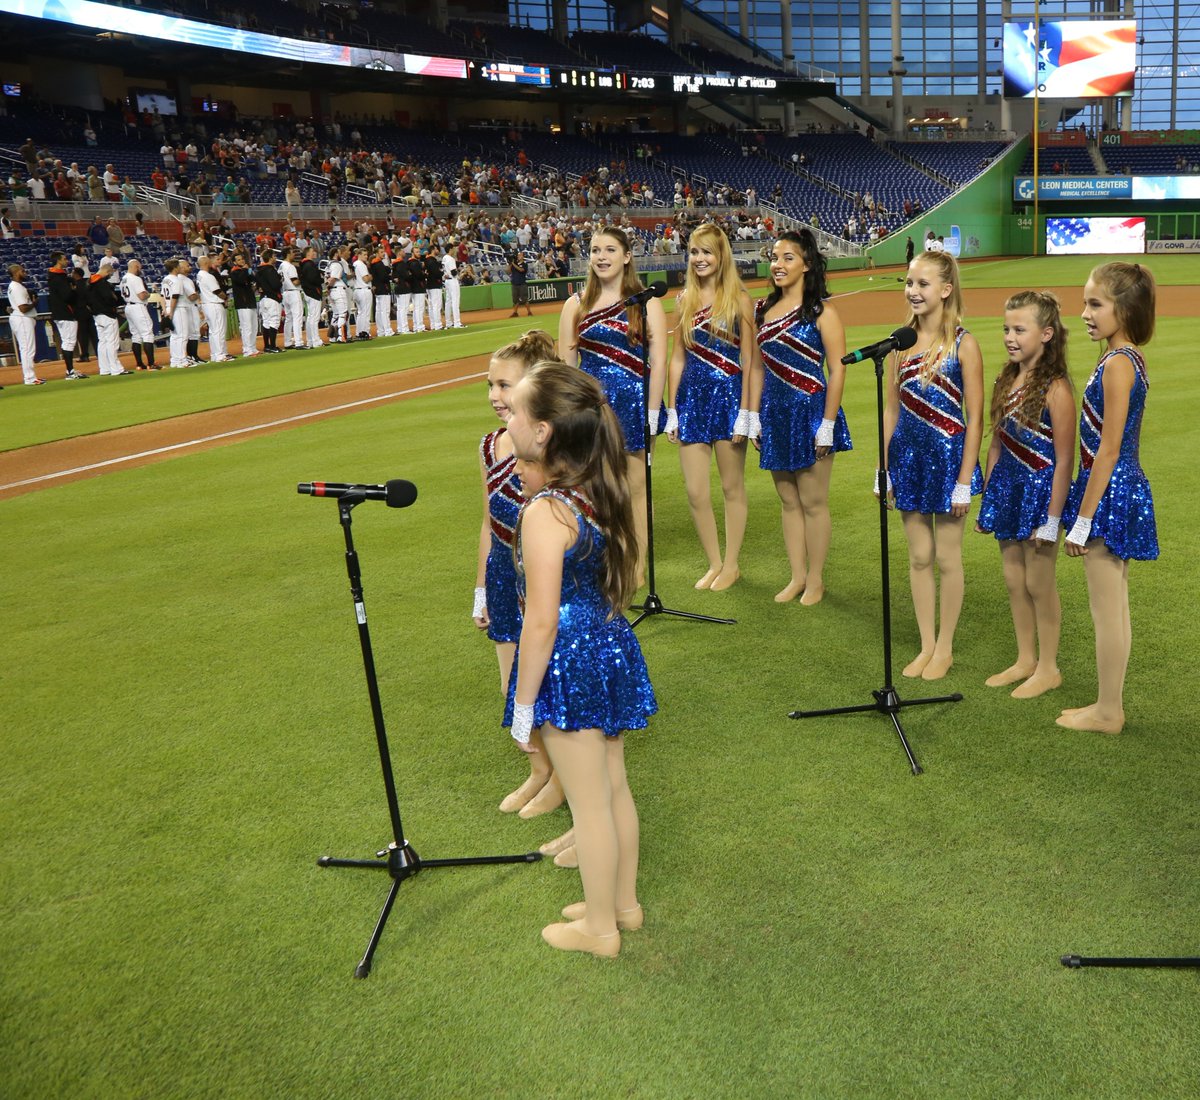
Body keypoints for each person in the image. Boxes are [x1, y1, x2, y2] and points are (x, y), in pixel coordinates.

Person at [502, 361, 656, 957]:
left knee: (591, 803)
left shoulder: (546, 512)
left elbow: (539, 622)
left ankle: (599, 928)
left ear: (543, 432)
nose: (507, 418)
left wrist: (521, 705)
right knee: (612, 788)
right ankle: (621, 904)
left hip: (570, 658)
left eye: (515, 410)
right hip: (609, 642)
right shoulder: (596, 490)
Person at [473, 332, 573, 836]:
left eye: (505, 385)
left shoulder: (549, 446)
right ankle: (538, 768)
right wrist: (480, 589)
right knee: (512, 681)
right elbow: (488, 520)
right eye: (489, 384)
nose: (494, 394)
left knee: (546, 681)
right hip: (501, 574)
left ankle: (561, 777)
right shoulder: (492, 445)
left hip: (541, 579)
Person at [1058, 263, 1158, 735]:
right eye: (1085, 303)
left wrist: (1082, 518)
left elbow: (1109, 447)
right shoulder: (1125, 357)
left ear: (1126, 308)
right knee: (1114, 603)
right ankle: (1107, 704)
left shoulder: (1119, 364)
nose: (1084, 313)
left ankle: (1107, 711)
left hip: (1111, 490)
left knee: (1106, 607)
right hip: (1120, 486)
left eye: (1095, 304)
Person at [883, 250, 983, 678]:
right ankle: (926, 644)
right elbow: (891, 411)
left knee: (947, 558)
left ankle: (945, 647)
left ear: (945, 290)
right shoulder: (898, 343)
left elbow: (975, 416)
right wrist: (883, 466)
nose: (913, 291)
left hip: (948, 460)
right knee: (919, 556)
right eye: (909, 283)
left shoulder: (964, 343)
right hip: (906, 458)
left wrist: (965, 479)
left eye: (923, 284)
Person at [976, 291, 1075, 698]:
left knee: (1039, 582)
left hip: (1041, 493)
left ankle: (1049, 667)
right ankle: (1025, 658)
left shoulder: (1056, 389)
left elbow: (1066, 460)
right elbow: (997, 442)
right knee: (1014, 579)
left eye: (1020, 329)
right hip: (1008, 490)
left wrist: (1053, 519)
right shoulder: (1006, 378)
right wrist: (991, 495)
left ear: (1046, 334)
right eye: (1006, 329)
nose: (1010, 337)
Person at [558, 227, 667, 580]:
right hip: (592, 412)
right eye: (594, 250)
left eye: (609, 249)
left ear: (626, 256)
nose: (601, 256)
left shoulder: (647, 301)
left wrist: (652, 412)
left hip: (635, 406)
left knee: (635, 490)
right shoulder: (575, 304)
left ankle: (634, 568)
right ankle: (603, 564)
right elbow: (566, 368)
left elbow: (660, 361)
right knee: (594, 489)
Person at [754, 229, 851, 604]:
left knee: (813, 502)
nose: (778, 265)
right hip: (775, 415)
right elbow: (759, 368)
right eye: (775, 258)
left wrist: (826, 424)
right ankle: (796, 576)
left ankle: (816, 578)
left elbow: (838, 369)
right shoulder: (762, 310)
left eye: (788, 258)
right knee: (788, 501)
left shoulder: (823, 311)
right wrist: (756, 417)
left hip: (811, 412)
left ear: (807, 265)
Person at [665, 223, 755, 591]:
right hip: (692, 400)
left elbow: (750, 361)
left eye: (707, 252)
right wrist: (671, 409)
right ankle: (714, 562)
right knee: (696, 491)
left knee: (732, 486)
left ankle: (731, 564)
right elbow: (677, 359)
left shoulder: (740, 300)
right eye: (694, 252)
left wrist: (748, 413)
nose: (699, 259)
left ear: (721, 257)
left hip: (730, 397)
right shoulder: (683, 300)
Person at [47, 253, 88, 380]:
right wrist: (74, 290)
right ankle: (70, 372)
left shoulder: (54, 276)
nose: (66, 261)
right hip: (65, 312)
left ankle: (70, 370)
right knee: (69, 342)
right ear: (58, 261)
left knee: (67, 342)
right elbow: (67, 296)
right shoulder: (59, 277)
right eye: (64, 259)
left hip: (59, 313)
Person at [87, 259, 129, 376]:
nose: (110, 275)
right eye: (110, 273)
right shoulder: (102, 282)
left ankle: (104, 369)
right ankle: (116, 369)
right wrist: (114, 299)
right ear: (106, 271)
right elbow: (109, 298)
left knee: (102, 342)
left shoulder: (89, 282)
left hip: (97, 316)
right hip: (107, 315)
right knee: (112, 342)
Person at [7, 263, 44, 385]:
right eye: (23, 271)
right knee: (27, 349)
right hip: (22, 318)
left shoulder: (17, 286)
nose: (25, 273)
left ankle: (30, 377)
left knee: (27, 348)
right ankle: (29, 378)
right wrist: (35, 303)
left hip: (22, 318)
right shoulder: (16, 287)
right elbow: (23, 308)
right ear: (16, 272)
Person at [120, 258, 157, 370]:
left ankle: (139, 364)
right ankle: (151, 363)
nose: (140, 269)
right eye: (139, 267)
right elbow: (142, 295)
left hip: (128, 307)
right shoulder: (135, 279)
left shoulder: (123, 279)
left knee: (136, 336)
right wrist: (148, 294)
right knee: (147, 334)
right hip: (138, 307)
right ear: (135, 266)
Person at [197, 256, 231, 362]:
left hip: (207, 304)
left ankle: (215, 354)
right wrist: (226, 298)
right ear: (207, 263)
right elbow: (217, 291)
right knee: (218, 330)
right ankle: (220, 355)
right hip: (214, 304)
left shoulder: (199, 275)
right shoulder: (208, 276)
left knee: (213, 331)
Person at [229, 251, 259, 357]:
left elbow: (254, 280)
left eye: (242, 259)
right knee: (247, 327)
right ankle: (247, 349)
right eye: (238, 260)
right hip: (242, 303)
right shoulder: (234, 272)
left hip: (250, 301)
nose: (241, 261)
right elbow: (241, 280)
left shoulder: (245, 271)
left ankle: (253, 347)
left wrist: (249, 271)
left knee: (254, 326)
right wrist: (246, 269)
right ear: (234, 262)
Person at [256, 249, 284, 353]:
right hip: (272, 298)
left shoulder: (259, 270)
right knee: (274, 321)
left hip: (263, 298)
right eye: (274, 256)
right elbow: (276, 285)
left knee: (266, 322)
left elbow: (257, 285)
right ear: (270, 257)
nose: (275, 258)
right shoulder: (270, 269)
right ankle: (273, 346)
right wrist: (280, 280)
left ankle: (267, 346)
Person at [508, 249, 533, 317]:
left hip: (522, 284)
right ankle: (515, 313)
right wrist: (510, 263)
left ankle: (529, 312)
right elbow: (508, 272)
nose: (518, 256)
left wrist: (513, 264)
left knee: (525, 299)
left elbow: (521, 270)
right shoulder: (514, 264)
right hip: (514, 284)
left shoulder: (525, 264)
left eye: (520, 255)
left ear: (523, 257)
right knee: (515, 300)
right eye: (518, 255)